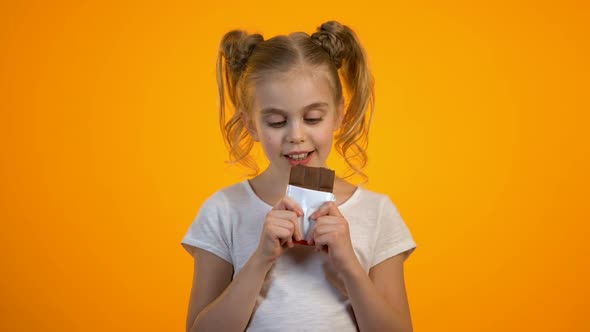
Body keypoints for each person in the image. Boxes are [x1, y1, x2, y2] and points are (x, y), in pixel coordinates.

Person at [181, 21, 417, 332]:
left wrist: (349, 265)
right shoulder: (224, 210)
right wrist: (261, 259)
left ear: (338, 114)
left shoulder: (377, 212)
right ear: (251, 124)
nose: (296, 135)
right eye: (277, 122)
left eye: (312, 118)